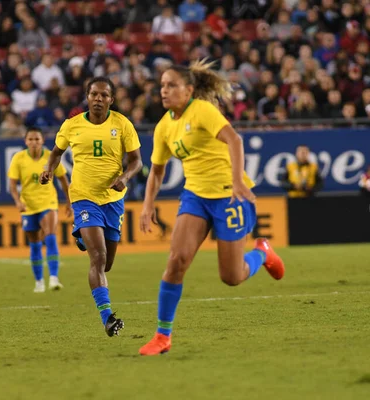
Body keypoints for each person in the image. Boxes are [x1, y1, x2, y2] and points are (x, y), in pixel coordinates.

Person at [138, 61, 285, 355]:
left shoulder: (203, 111)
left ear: (189, 90)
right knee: (176, 261)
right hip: (195, 197)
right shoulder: (164, 126)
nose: (165, 91)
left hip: (229, 196)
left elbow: (234, 139)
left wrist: (237, 181)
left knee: (232, 277)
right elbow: (156, 170)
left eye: (172, 85)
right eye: (163, 86)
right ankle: (162, 336)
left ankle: (261, 253)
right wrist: (147, 205)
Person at [40, 77, 143, 337]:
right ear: (87, 97)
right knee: (97, 259)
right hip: (84, 197)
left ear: (111, 99)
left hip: (113, 200)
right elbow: (55, 152)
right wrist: (48, 169)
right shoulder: (72, 125)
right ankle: (107, 317)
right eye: (94, 94)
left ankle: (84, 237)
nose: (98, 99)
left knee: (106, 263)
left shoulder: (122, 124)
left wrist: (125, 178)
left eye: (104, 95)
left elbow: (136, 161)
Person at [8, 127, 71, 293]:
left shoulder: (51, 157)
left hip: (48, 203)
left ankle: (54, 278)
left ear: (43, 141)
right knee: (35, 244)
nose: (34, 142)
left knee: (50, 236)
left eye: (37, 139)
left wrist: (69, 202)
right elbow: (13, 185)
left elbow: (64, 181)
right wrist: (17, 202)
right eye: (31, 139)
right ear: (25, 141)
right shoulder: (18, 159)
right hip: (28, 205)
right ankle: (39, 281)